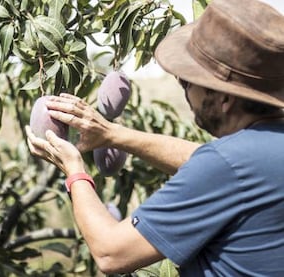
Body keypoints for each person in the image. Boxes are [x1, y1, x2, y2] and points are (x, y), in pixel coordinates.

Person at [25, 0, 284, 275]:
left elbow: (110, 253)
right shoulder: (260, 151)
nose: (185, 90)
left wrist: (74, 169)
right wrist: (111, 134)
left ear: (225, 99)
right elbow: (204, 159)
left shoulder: (227, 166)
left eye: (188, 81)